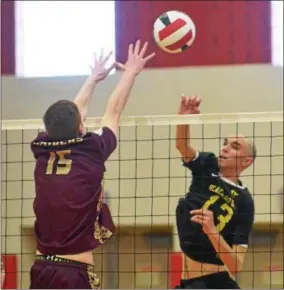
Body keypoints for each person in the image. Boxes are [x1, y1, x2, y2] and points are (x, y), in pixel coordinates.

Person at [29, 40, 155, 289]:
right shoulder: (91, 150)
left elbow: (76, 113)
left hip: (41, 269)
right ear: (80, 127)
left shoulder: (41, 148)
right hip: (73, 273)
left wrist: (92, 79)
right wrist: (130, 73)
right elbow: (114, 111)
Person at [175, 95, 256, 289]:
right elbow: (182, 146)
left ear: (246, 162)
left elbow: (236, 265)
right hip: (187, 284)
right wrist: (183, 119)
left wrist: (211, 230)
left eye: (234, 147)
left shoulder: (244, 201)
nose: (225, 148)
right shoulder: (206, 166)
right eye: (225, 143)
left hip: (215, 283)